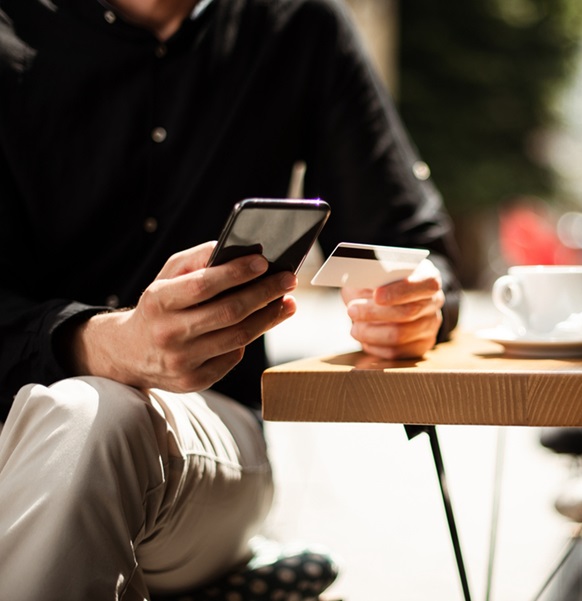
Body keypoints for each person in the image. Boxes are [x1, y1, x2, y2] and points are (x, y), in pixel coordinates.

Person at [0, 0, 462, 599]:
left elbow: (414, 252)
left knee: (90, 418)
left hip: (207, 440)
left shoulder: (297, 25)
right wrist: (99, 343)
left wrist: (412, 303)